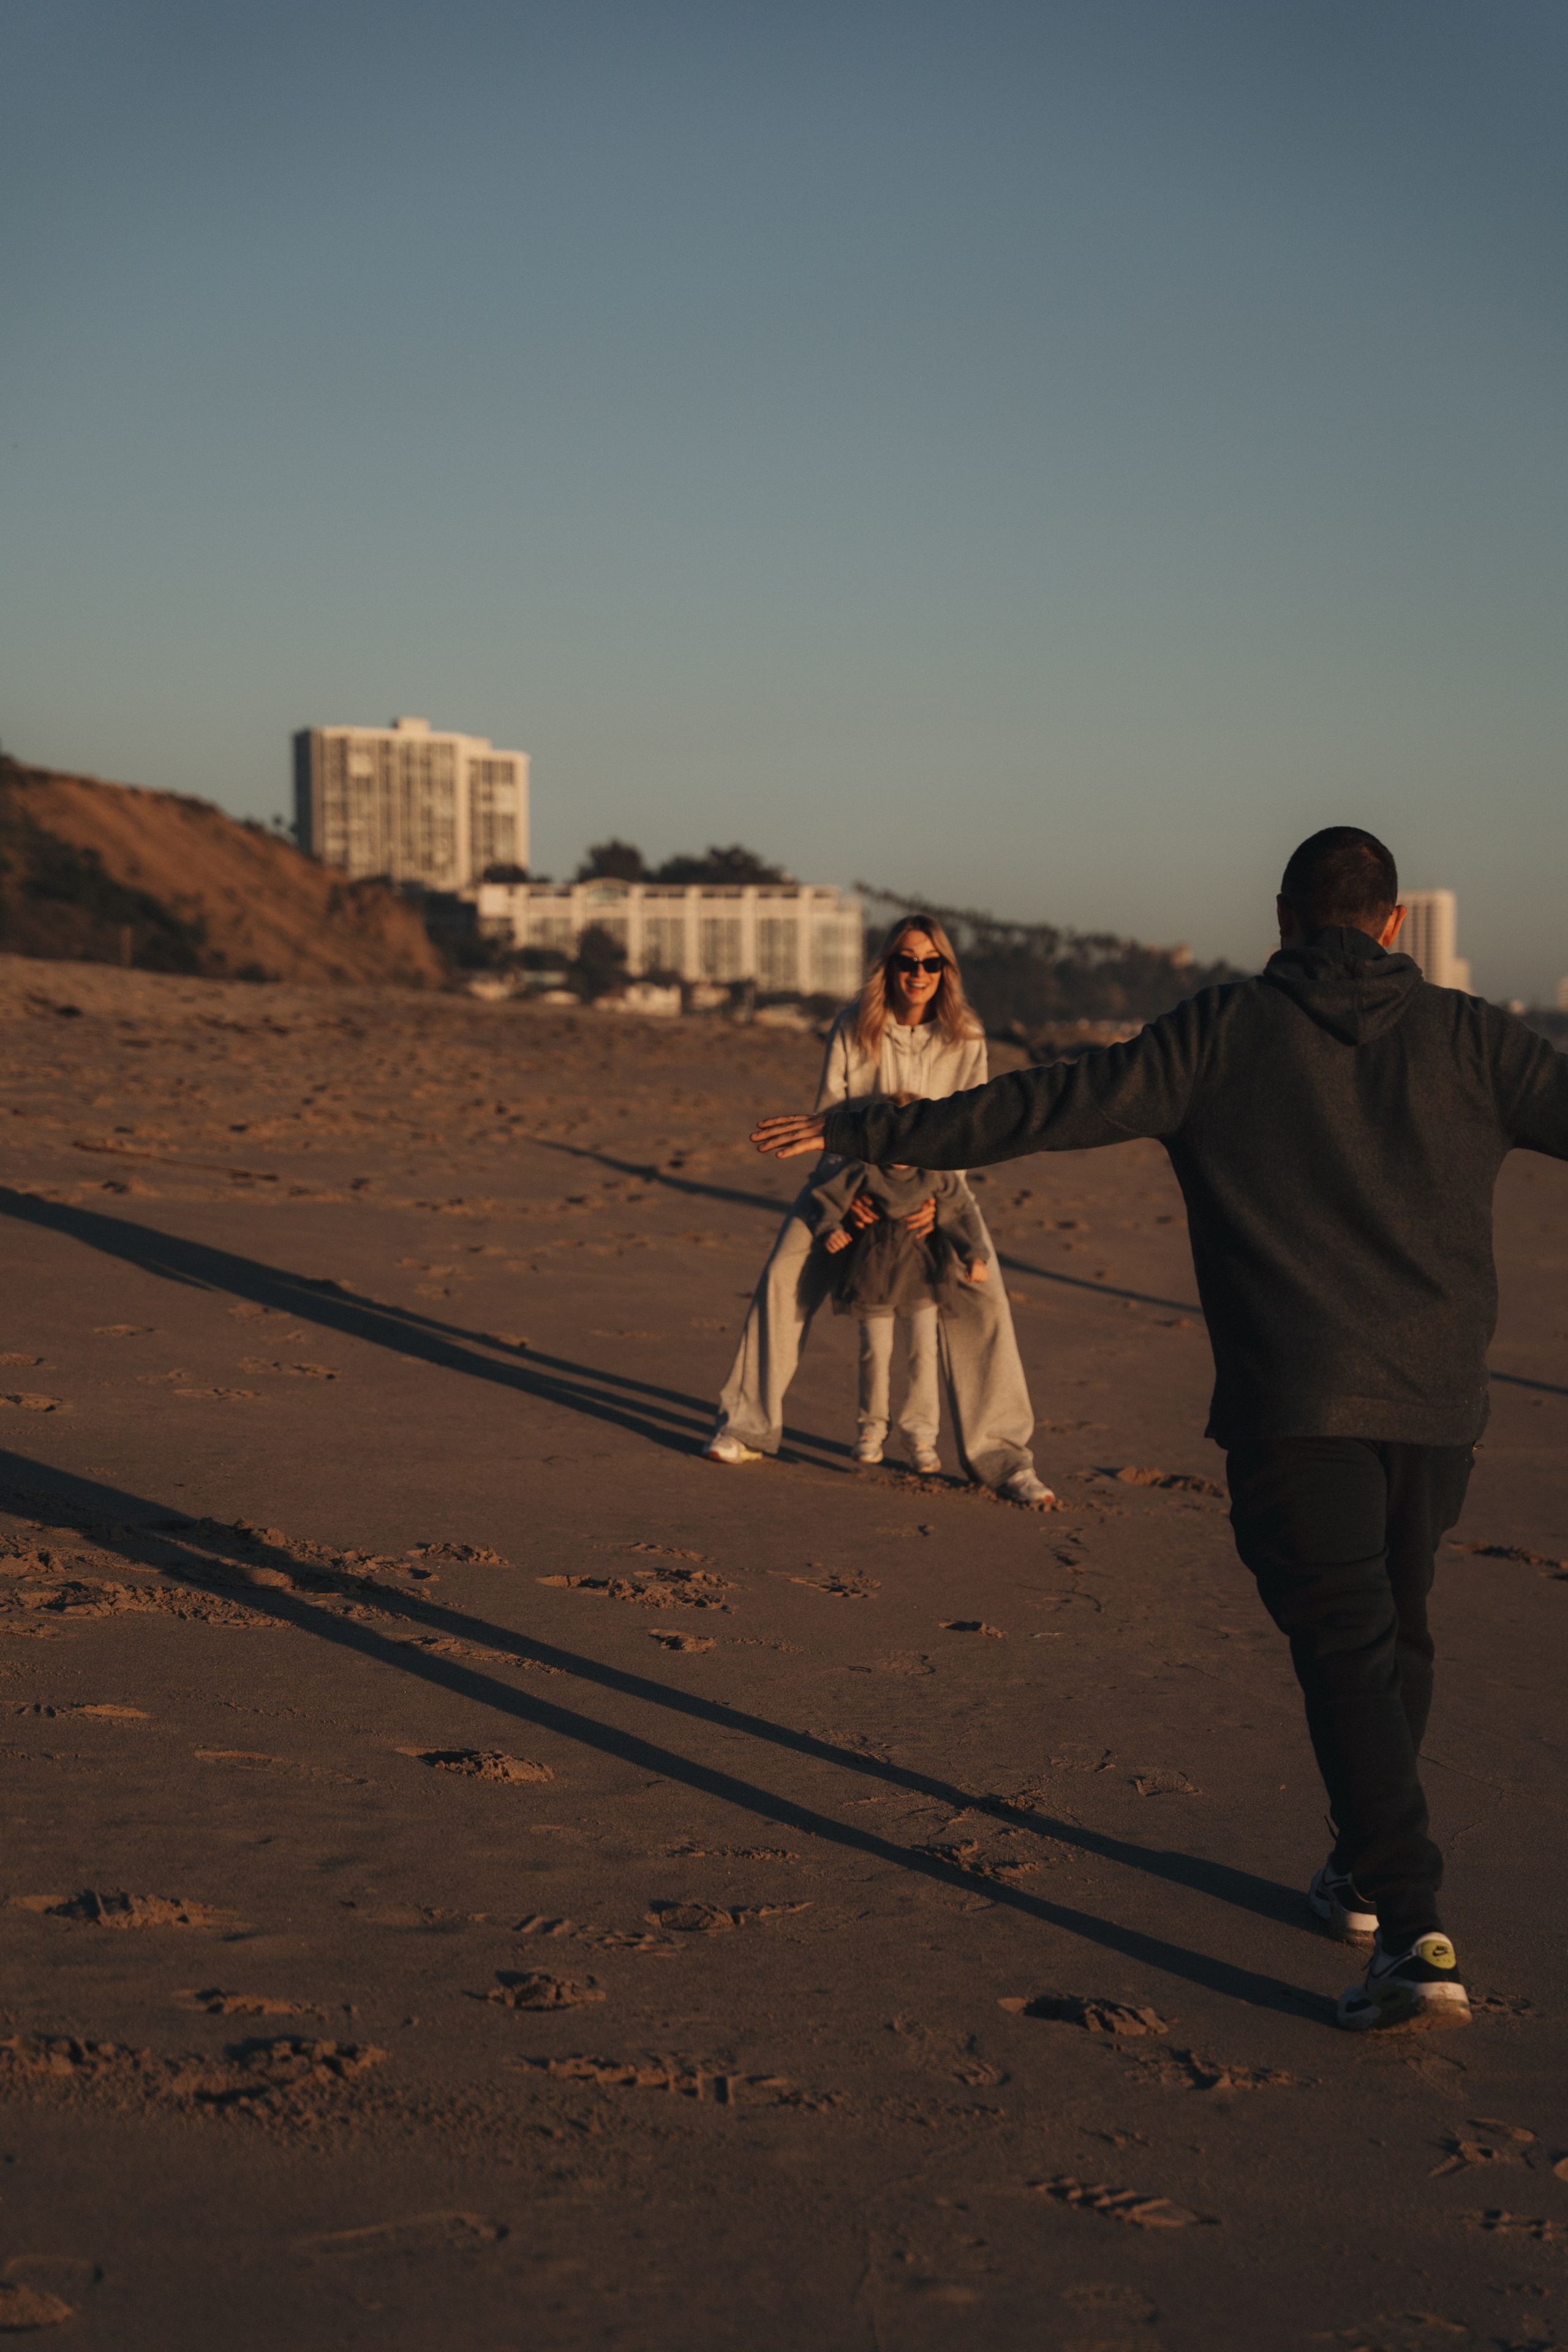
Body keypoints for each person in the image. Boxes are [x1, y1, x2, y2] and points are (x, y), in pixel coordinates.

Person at [751, 828, 1568, 2032]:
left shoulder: (1222, 1032)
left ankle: (1409, 1930)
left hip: (1297, 1399)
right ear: (1390, 925)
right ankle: (1363, 1875)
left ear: (1283, 918)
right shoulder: (1473, 1039)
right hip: (1435, 1403)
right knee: (1391, 1631)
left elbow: (1045, 1104)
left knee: (1349, 1641)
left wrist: (870, 1128)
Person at [708, 914, 1054, 1504]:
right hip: (845, 1183)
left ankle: (1004, 1459)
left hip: (937, 1189)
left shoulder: (966, 1036)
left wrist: (934, 1206)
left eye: (931, 963)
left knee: (984, 1292)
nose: (918, 973)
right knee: (783, 1277)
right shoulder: (851, 1028)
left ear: (945, 971)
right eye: (906, 961)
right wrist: (852, 1201)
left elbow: (967, 1134)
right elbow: (827, 1119)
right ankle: (745, 1426)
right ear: (887, 967)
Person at [809, 1113, 990, 1470]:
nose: (903, 1147)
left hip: (921, 1273)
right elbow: (826, 1199)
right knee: (875, 1351)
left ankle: (921, 1436)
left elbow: (961, 1211)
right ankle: (870, 1430)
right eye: (893, 1137)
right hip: (872, 1272)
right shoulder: (865, 1169)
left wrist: (975, 1255)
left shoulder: (935, 1172)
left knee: (923, 1353)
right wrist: (830, 1228)